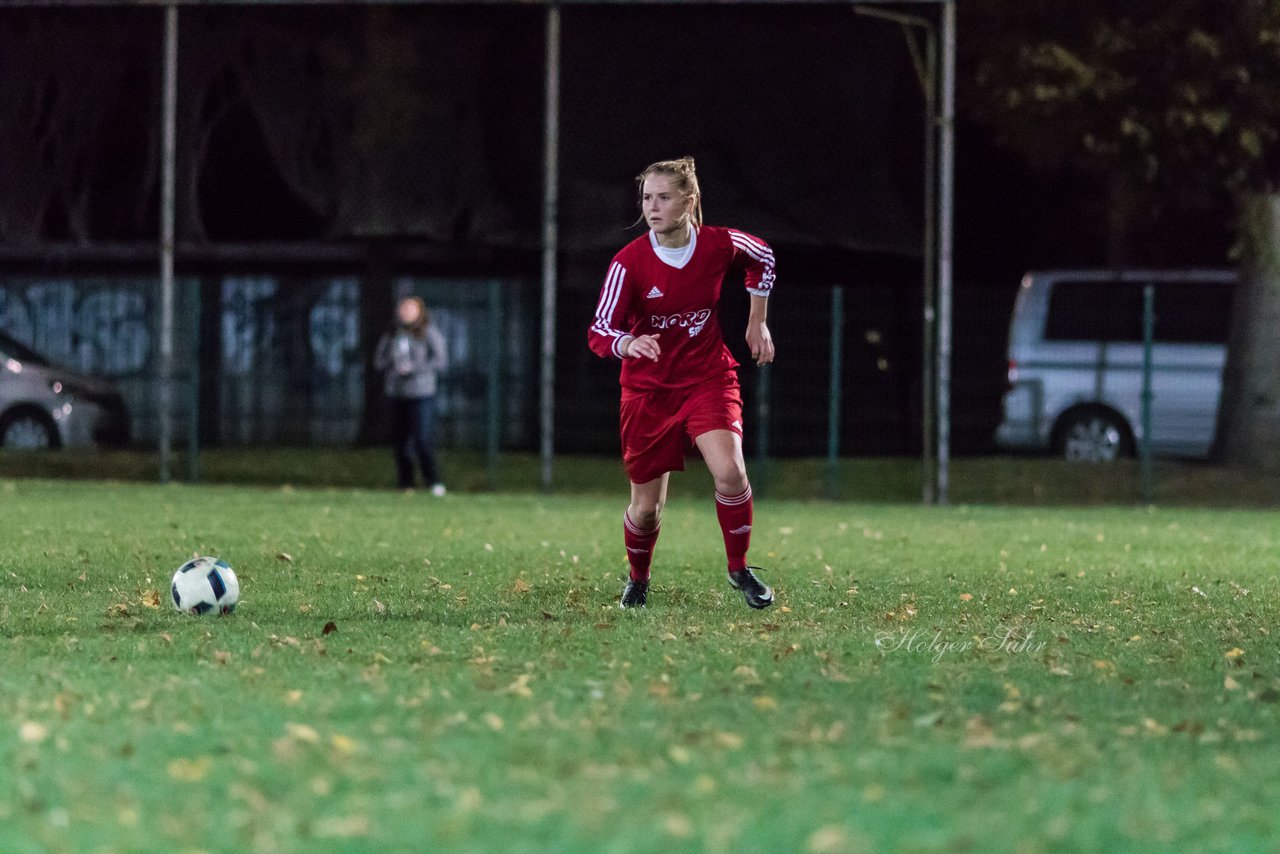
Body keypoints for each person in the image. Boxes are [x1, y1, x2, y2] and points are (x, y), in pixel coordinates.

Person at [588, 156, 776, 610]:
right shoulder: (629, 263)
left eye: (663, 197)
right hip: (648, 392)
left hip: (707, 377)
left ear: (688, 201)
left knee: (731, 473)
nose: (652, 207)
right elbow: (599, 330)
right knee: (647, 509)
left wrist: (758, 322)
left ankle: (739, 568)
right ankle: (638, 578)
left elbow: (764, 258)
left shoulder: (718, 244)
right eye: (647, 198)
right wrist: (628, 343)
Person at [375, 296, 448, 496]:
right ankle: (405, 482)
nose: (405, 312)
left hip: (422, 393)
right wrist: (394, 365)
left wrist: (415, 369)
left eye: (410, 308)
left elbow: (440, 360)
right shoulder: (392, 334)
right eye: (403, 308)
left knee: (422, 440)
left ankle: (433, 480)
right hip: (396, 394)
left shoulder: (429, 332)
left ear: (419, 311)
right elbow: (378, 362)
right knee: (400, 442)